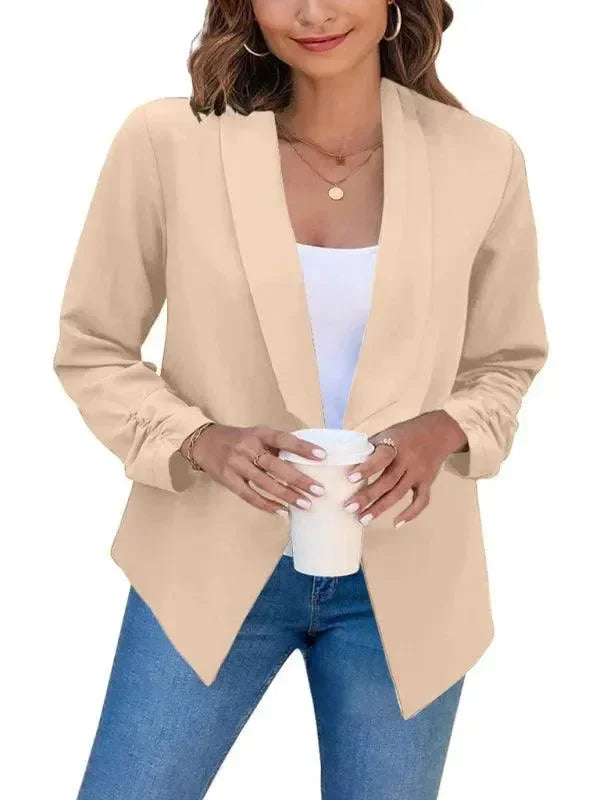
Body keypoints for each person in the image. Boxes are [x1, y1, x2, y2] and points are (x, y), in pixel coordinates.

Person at [53, 1, 549, 797]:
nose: (313, 12)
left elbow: (506, 360)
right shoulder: (169, 142)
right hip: (204, 563)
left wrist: (443, 429)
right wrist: (198, 439)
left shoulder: (482, 158)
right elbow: (93, 345)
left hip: (408, 580)